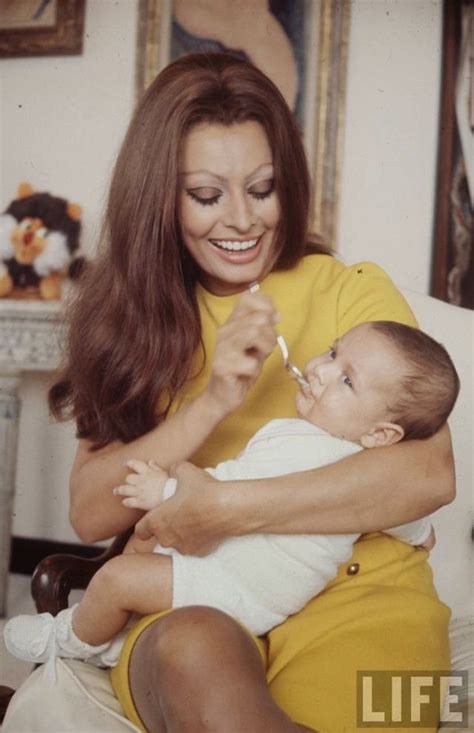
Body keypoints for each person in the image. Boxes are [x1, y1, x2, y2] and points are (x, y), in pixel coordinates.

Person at [24, 53, 455, 733]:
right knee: (196, 651)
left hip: (363, 593)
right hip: (194, 598)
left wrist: (224, 507)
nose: (241, 220)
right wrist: (213, 400)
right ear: (159, 195)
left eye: (262, 188)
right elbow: (89, 513)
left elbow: (429, 471)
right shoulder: (126, 323)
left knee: (390, 712)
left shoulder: (351, 290)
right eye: (206, 194)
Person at [4, 319, 459, 666]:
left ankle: (70, 642)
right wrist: (422, 533)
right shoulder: (336, 455)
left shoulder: (320, 455)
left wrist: (162, 489)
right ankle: (115, 640)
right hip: (227, 571)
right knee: (142, 542)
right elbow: (404, 516)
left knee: (114, 578)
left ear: (381, 434)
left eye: (346, 380)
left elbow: (223, 490)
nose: (320, 369)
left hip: (239, 591)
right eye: (333, 352)